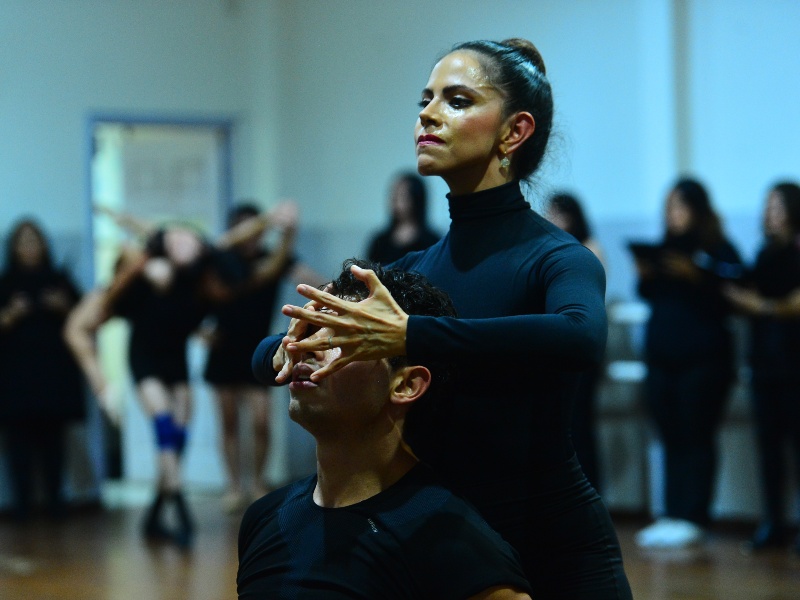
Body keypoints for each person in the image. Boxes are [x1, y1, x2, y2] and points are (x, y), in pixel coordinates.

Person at [253, 38, 632, 598]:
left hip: (555, 546)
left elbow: (578, 336)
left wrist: (413, 333)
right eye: (424, 100)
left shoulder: (557, 257)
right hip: (443, 542)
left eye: (456, 100)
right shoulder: (410, 269)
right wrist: (288, 349)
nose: (427, 113)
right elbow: (272, 348)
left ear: (514, 131)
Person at [240, 259, 532, 599]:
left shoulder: (454, 545)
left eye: (341, 337)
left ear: (406, 385)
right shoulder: (265, 518)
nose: (303, 349)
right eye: (309, 330)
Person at [65, 224, 236, 548]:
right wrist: (139, 266)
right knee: (164, 426)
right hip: (144, 360)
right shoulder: (142, 274)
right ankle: (180, 505)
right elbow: (103, 307)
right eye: (174, 237)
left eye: (190, 237)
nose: (182, 241)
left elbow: (222, 296)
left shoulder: (203, 282)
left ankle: (154, 515)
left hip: (177, 364)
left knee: (177, 441)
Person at [632, 177, 743, 549]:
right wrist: (646, 275)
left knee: (697, 437)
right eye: (667, 207)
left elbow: (731, 294)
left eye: (678, 206)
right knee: (670, 437)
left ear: (696, 209)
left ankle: (695, 516)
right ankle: (673, 514)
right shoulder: (663, 248)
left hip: (704, 361)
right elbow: (649, 293)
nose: (671, 214)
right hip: (662, 358)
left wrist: (694, 275)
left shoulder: (719, 248)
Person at [203, 201, 325, 512]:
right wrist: (200, 332)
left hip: (258, 349)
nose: (251, 237)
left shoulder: (273, 259)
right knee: (229, 422)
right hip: (224, 350)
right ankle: (233, 487)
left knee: (260, 422)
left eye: (256, 229)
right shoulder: (220, 261)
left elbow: (311, 280)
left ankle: (256, 482)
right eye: (246, 229)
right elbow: (188, 300)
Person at [723, 182, 800, 554]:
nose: (770, 211)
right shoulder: (764, 252)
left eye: (778, 204)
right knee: (768, 450)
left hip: (794, 363)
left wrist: (759, 306)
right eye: (767, 204)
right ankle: (774, 523)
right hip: (765, 363)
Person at [0, 219, 85, 521]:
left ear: (45, 244)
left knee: (54, 441)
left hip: (54, 372)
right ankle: (21, 506)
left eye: (34, 241)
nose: (29, 248)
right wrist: (11, 314)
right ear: (13, 248)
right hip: (15, 374)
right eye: (23, 242)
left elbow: (85, 320)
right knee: (18, 443)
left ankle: (55, 503)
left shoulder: (60, 278)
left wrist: (63, 307)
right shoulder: (5, 282)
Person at [545, 192, 606, 491]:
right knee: (561, 426)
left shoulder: (588, 249)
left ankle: (591, 491)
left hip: (581, 345)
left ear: (570, 217)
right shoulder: (548, 250)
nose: (548, 219)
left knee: (581, 424)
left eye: (554, 213)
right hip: (556, 348)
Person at [366, 171, 440, 265]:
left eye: (402, 195)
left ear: (416, 199)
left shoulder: (432, 242)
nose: (395, 200)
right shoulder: (380, 242)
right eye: (394, 195)